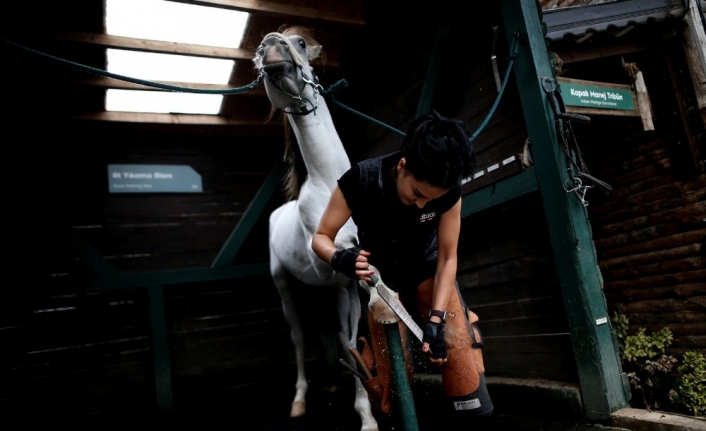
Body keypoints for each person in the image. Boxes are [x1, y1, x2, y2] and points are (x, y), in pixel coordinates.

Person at [311, 110, 493, 419]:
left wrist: (435, 321)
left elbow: (448, 257)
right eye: (417, 194)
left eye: (430, 200)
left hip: (427, 270)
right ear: (403, 165)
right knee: (391, 385)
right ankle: (397, 416)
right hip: (379, 280)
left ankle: (471, 415)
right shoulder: (359, 180)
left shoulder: (449, 194)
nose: (422, 204)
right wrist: (340, 257)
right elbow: (321, 236)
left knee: (459, 347)